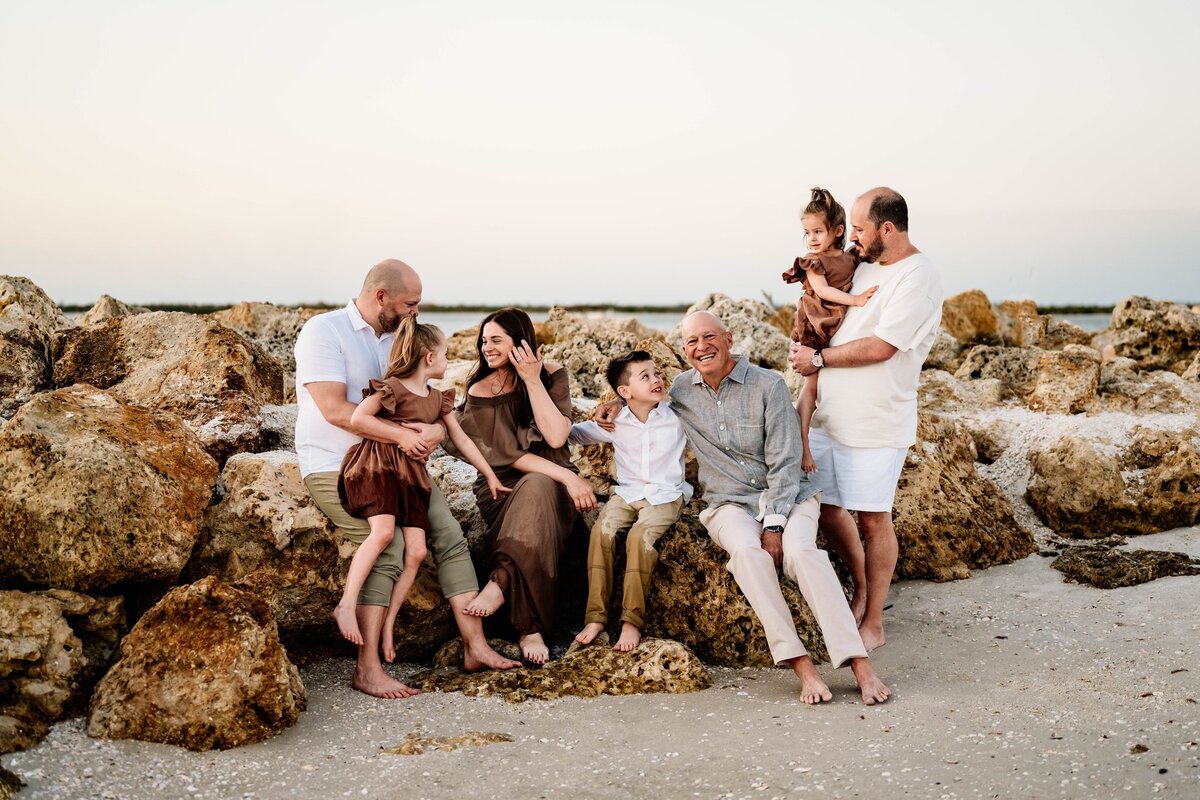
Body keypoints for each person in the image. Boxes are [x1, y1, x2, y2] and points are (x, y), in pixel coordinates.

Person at [295, 259, 520, 700]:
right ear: (381, 297)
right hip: (338, 464)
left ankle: (475, 646)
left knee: (450, 535)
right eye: (410, 304)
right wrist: (403, 434)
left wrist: (436, 429)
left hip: (401, 465)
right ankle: (369, 668)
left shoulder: (406, 339)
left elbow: (428, 407)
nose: (416, 312)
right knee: (390, 545)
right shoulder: (324, 332)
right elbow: (336, 411)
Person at [669, 311, 890, 705]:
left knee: (803, 553)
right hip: (729, 503)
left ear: (729, 338)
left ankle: (860, 664)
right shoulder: (680, 392)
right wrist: (609, 411)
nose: (701, 347)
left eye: (709, 337)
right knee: (747, 555)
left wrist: (774, 525)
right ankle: (802, 666)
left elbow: (787, 463)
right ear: (684, 351)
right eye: (691, 342)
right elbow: (636, 403)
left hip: (790, 494)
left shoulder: (767, 385)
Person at [788, 187, 943, 653]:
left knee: (874, 520)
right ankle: (858, 587)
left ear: (887, 229)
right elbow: (825, 302)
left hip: (876, 422)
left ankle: (874, 618)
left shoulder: (918, 276)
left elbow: (882, 346)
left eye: (859, 228)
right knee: (829, 509)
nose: (851, 236)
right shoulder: (864, 263)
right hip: (828, 417)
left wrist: (818, 360)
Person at [333, 316, 510, 656]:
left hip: (412, 478)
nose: (447, 361)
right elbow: (358, 419)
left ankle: (387, 628)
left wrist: (489, 474)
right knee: (383, 534)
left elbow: (463, 440)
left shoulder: (436, 399)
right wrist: (400, 434)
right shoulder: (393, 388)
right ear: (429, 358)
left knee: (416, 552)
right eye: (444, 354)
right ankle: (346, 603)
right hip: (380, 467)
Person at [448, 307, 597, 665]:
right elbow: (509, 455)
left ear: (521, 342)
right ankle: (529, 626)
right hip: (503, 486)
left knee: (541, 485)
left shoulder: (551, 375)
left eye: (496, 339)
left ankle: (508, 596)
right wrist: (570, 476)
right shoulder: (481, 388)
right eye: (483, 340)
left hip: (552, 484)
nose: (487, 347)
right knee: (535, 484)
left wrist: (531, 380)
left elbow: (557, 434)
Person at [568, 350, 691, 652]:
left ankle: (631, 621)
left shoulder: (677, 417)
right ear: (624, 392)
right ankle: (595, 617)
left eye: (656, 373)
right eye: (645, 377)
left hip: (666, 495)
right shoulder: (616, 421)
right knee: (602, 532)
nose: (656, 380)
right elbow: (573, 435)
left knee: (640, 537)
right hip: (628, 493)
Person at [780, 187, 878, 472]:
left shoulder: (849, 258)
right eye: (807, 233)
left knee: (824, 384)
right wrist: (857, 300)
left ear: (838, 231)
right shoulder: (814, 262)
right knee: (810, 386)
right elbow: (823, 291)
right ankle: (803, 447)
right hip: (815, 325)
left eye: (817, 232)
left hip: (833, 328)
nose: (811, 239)